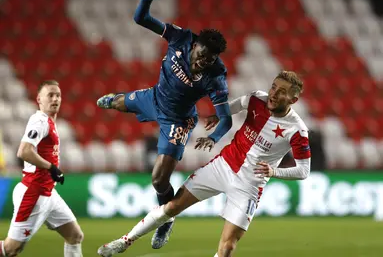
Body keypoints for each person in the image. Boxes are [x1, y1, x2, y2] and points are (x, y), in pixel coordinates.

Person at [97, 71, 311, 257]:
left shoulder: (297, 130)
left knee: (227, 246)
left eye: (282, 91)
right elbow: (236, 105)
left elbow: (303, 171)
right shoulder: (257, 99)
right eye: (273, 86)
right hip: (223, 166)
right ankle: (125, 241)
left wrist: (274, 171)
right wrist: (220, 115)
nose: (274, 93)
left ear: (293, 100)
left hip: (250, 185)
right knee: (172, 206)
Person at [96, 0, 232, 249]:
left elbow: (225, 118)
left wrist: (213, 137)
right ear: (195, 45)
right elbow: (141, 19)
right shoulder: (181, 37)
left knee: (159, 179)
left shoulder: (216, 76)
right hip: (155, 97)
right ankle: (116, 98)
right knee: (118, 103)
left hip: (178, 122)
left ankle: (165, 220)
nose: (204, 62)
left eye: (210, 59)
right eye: (203, 55)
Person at [0, 80, 84, 257]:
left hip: (48, 193)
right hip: (34, 192)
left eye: (58, 95)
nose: (55, 99)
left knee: (74, 235)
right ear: (39, 99)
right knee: (11, 249)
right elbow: (24, 151)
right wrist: (51, 167)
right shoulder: (40, 121)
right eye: (50, 95)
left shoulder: (50, 122)